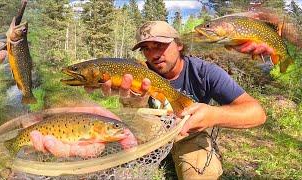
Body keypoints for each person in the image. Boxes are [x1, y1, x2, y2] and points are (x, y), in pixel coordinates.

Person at [31, 21, 267, 179]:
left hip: (190, 136)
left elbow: (256, 112)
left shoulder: (205, 72)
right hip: (148, 134)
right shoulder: (135, 73)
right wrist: (132, 102)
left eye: (161, 46)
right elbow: (129, 112)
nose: (154, 54)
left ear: (180, 44)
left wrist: (214, 115)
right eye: (146, 48)